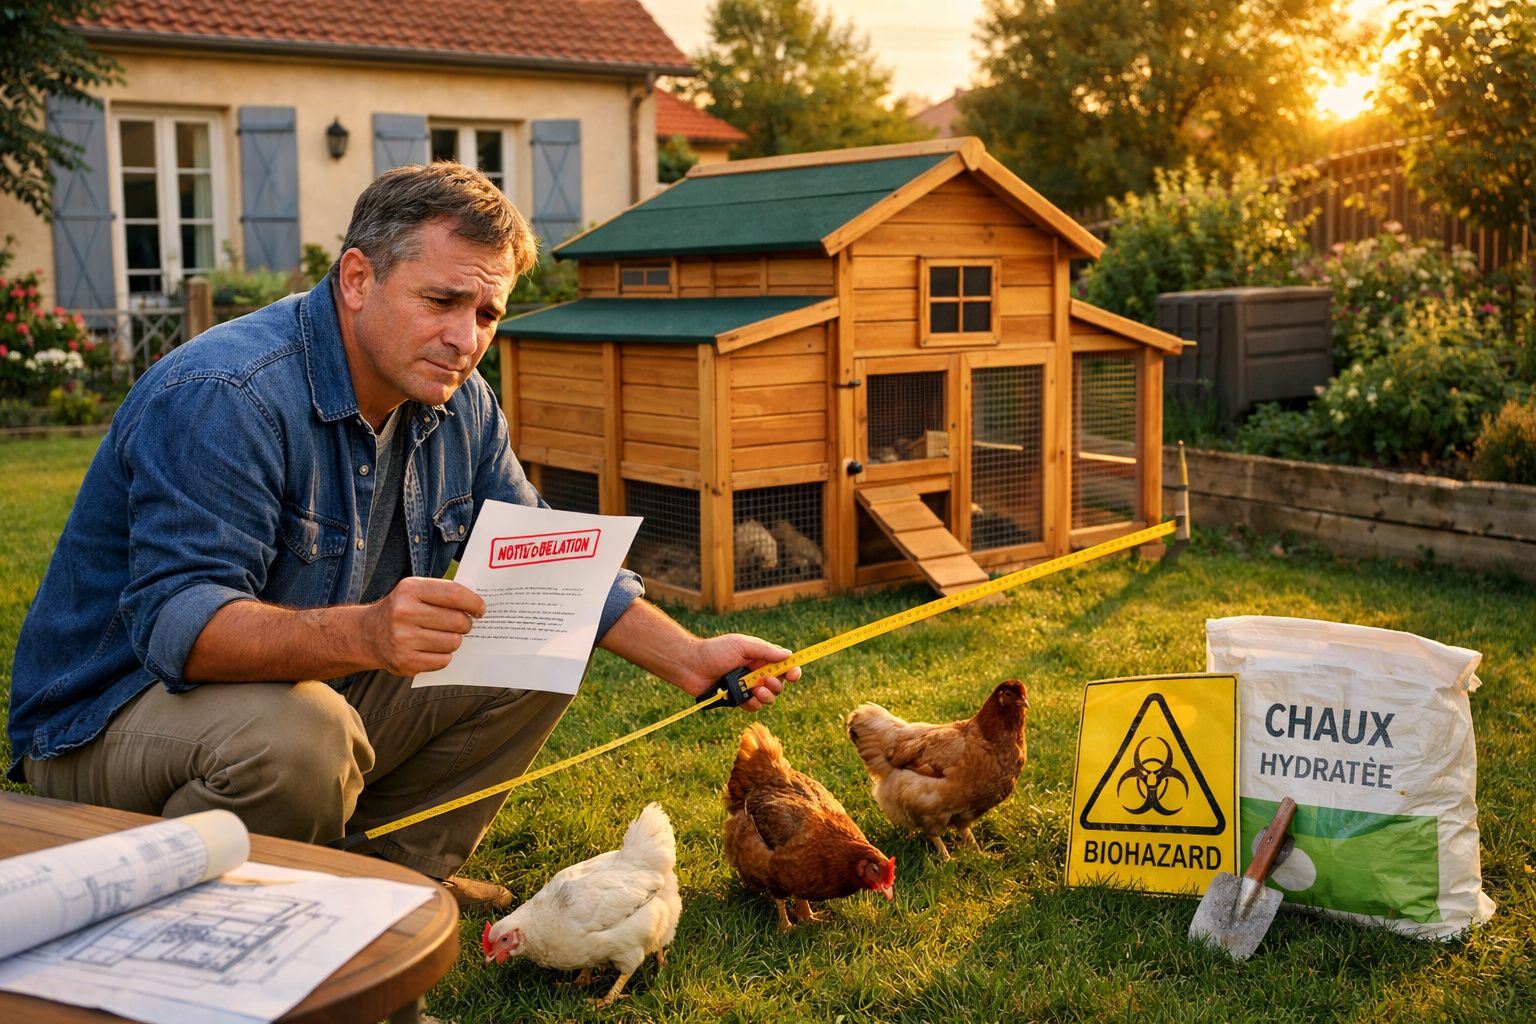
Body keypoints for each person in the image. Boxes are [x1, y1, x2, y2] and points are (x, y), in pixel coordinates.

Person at [7, 162, 798, 913]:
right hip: (112, 719)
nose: (467, 337)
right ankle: (206, 925)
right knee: (301, 738)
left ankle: (388, 890)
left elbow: (550, 558)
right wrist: (371, 632)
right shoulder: (227, 394)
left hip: (312, 687)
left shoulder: (462, 401)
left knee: (539, 624)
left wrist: (689, 658)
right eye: (443, 301)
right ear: (357, 279)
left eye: (487, 313)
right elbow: (179, 628)